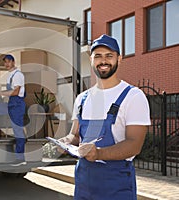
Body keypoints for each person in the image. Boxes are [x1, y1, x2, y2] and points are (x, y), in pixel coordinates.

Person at [59, 34, 151, 200]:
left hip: (116, 186)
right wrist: (64, 142)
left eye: (109, 56)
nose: (103, 61)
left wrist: (98, 154)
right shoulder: (82, 99)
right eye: (98, 56)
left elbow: (134, 145)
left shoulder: (133, 96)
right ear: (92, 59)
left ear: (119, 59)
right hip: (83, 184)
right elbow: (76, 135)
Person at [0, 54, 27, 166]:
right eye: (5, 62)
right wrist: (0, 96)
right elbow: (10, 93)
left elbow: (16, 92)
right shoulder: (10, 76)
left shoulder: (18, 75)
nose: (6, 64)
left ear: (13, 62)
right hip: (10, 104)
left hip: (17, 106)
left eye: (8, 62)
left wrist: (0, 93)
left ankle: (20, 158)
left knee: (18, 131)